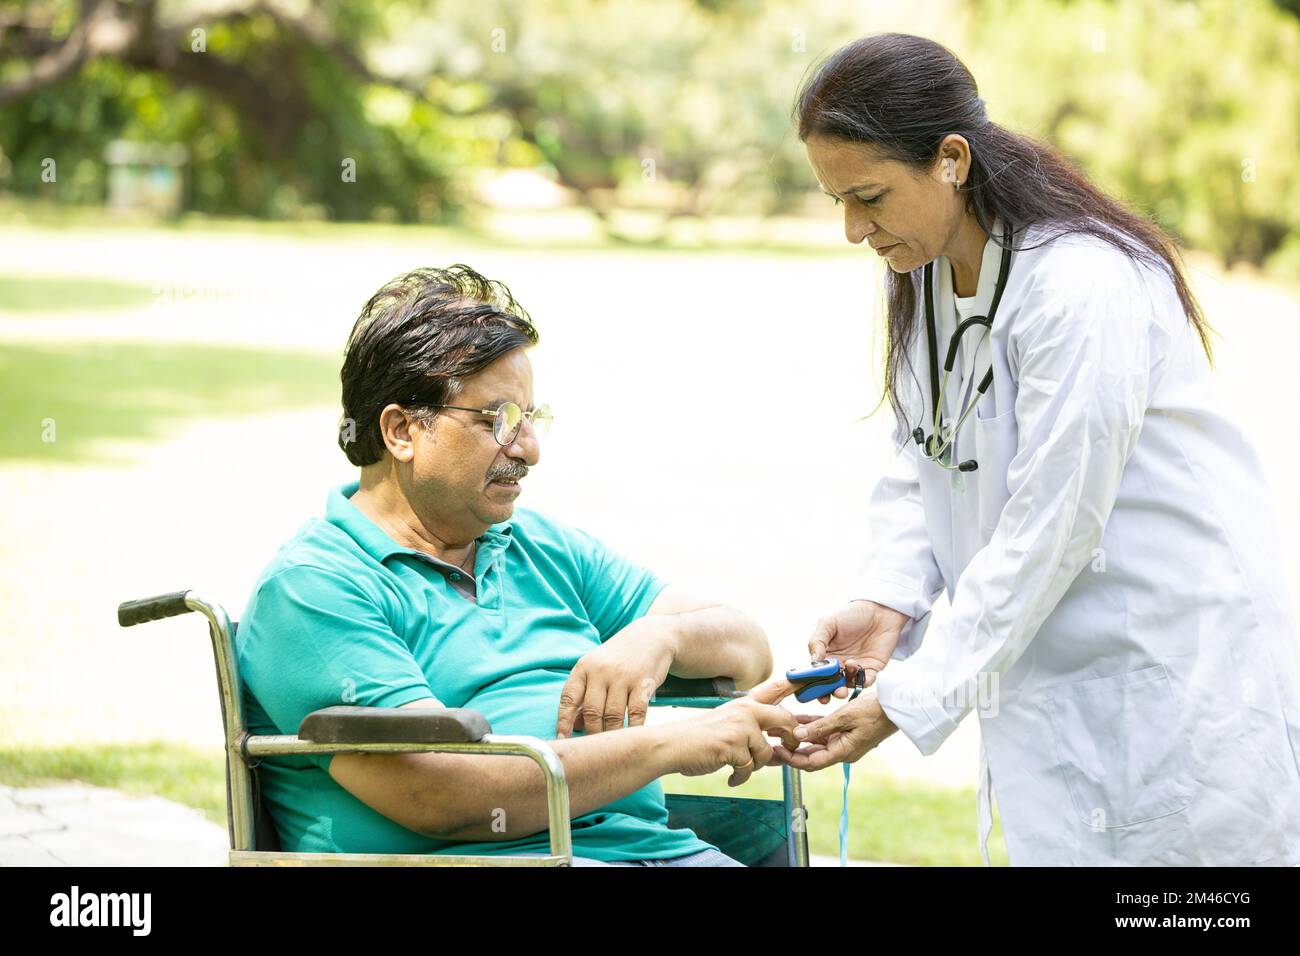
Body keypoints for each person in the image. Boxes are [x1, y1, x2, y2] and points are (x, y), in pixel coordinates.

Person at [772, 33, 1300, 866]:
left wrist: (908, 700)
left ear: (951, 159)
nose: (851, 229)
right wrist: (889, 598)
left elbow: (1053, 525)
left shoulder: (1080, 285)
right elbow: (928, 453)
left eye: (868, 197)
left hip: (1170, 673)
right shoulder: (925, 273)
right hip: (1052, 676)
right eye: (837, 199)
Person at [236, 265, 797, 865]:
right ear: (401, 431)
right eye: (497, 420)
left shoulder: (538, 546)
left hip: (658, 853)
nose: (528, 448)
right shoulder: (313, 588)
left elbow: (748, 652)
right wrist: (668, 744)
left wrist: (663, 637)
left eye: (531, 418)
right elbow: (444, 793)